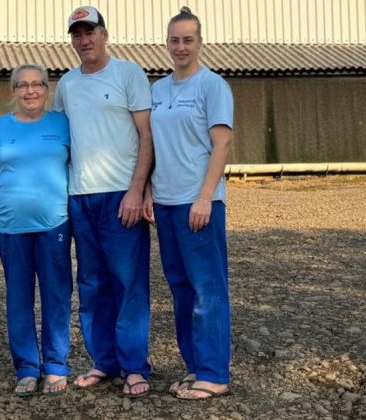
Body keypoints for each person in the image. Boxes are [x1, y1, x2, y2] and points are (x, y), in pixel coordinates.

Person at [53, 6, 154, 397]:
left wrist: (136, 189)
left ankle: (134, 367)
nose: (84, 40)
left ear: (104, 33)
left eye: (90, 31)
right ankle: (104, 362)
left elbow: (146, 136)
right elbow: (58, 138)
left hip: (120, 194)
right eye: (77, 34)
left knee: (128, 283)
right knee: (92, 283)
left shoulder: (129, 73)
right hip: (80, 196)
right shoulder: (66, 84)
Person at [143, 7, 234, 401]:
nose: (181, 47)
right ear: (167, 44)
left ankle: (214, 373)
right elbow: (151, 146)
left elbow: (223, 144)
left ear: (199, 43)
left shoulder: (211, 86)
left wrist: (204, 197)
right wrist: (147, 191)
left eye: (188, 40)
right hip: (165, 203)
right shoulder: (158, 90)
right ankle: (195, 366)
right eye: (174, 40)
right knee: (180, 288)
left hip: (198, 204)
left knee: (207, 289)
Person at [0, 64, 73, 397]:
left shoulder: (62, 124)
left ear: (47, 89)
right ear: (13, 91)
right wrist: (2, 200)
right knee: (19, 299)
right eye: (23, 86)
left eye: (38, 85)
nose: (31, 91)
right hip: (12, 228)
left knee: (56, 296)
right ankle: (27, 368)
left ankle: (56, 365)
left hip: (54, 225)